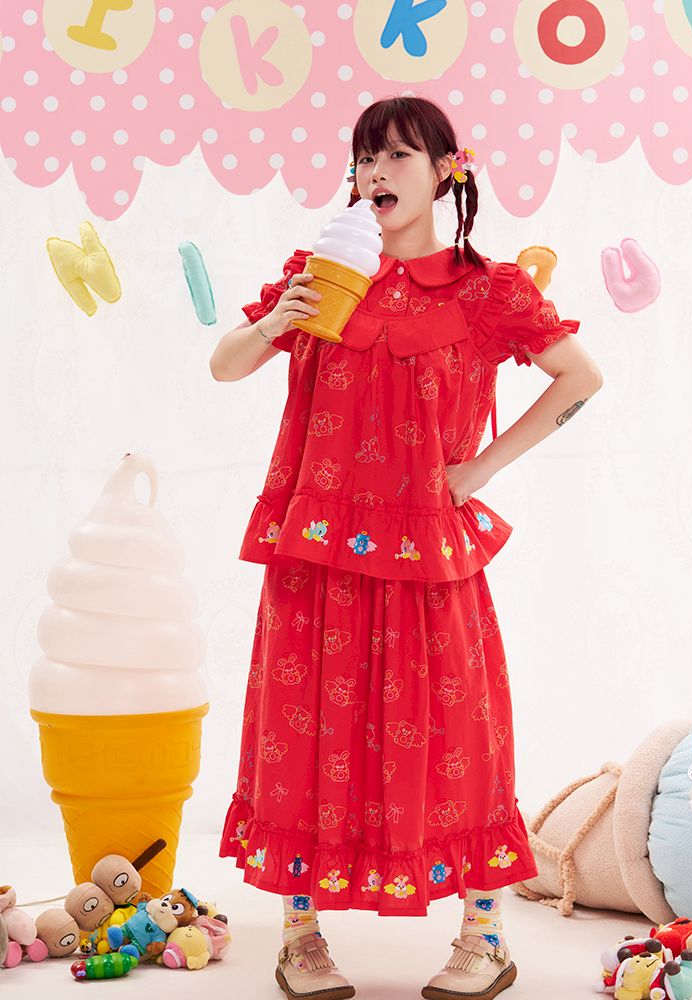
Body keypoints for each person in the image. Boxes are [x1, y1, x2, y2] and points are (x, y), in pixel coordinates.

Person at [210, 95, 603, 1000]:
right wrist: (274, 322)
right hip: (317, 548)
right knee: (304, 732)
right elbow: (225, 365)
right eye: (363, 158)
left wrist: (479, 470)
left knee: (458, 734)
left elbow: (580, 376)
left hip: (430, 552)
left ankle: (485, 937)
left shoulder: (487, 290)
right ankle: (300, 937)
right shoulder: (323, 275)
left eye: (395, 156)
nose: (374, 173)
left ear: (445, 172)